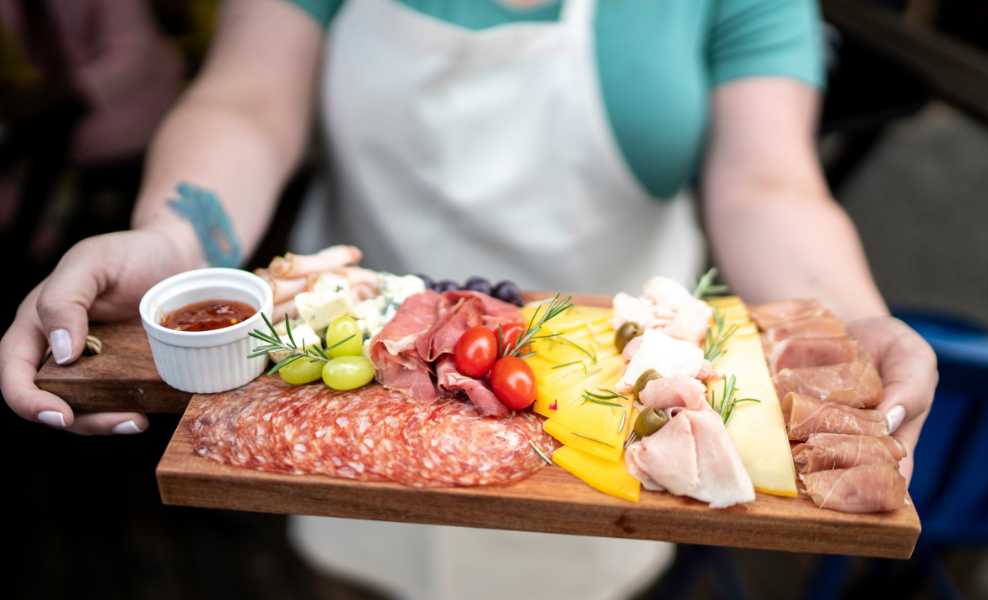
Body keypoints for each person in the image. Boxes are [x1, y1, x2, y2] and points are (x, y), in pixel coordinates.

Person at [0, 0, 938, 598]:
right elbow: (246, 101)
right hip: (354, 391)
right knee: (359, 576)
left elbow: (766, 184)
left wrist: (849, 324)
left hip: (611, 423)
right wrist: (173, 244)